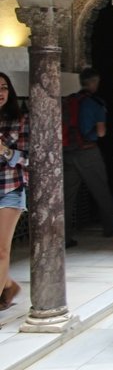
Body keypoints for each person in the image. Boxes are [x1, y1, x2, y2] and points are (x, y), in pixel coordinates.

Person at [63, 66, 113, 243]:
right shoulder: (96, 103)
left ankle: (63, 235)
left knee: (67, 196)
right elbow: (101, 132)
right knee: (101, 190)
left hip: (68, 151)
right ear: (93, 82)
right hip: (88, 152)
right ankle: (111, 227)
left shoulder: (70, 100)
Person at [0, 72, 28, 313]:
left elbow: (27, 159)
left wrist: (3, 150)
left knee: (1, 249)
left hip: (9, 188)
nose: (0, 92)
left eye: (4, 87)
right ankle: (8, 285)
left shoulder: (19, 120)